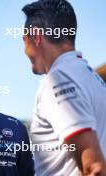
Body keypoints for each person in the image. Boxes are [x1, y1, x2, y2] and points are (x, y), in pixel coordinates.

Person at [22, 0, 106, 175]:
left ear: (36, 37)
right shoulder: (94, 79)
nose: (24, 50)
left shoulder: (58, 79)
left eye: (24, 40)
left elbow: (94, 167)